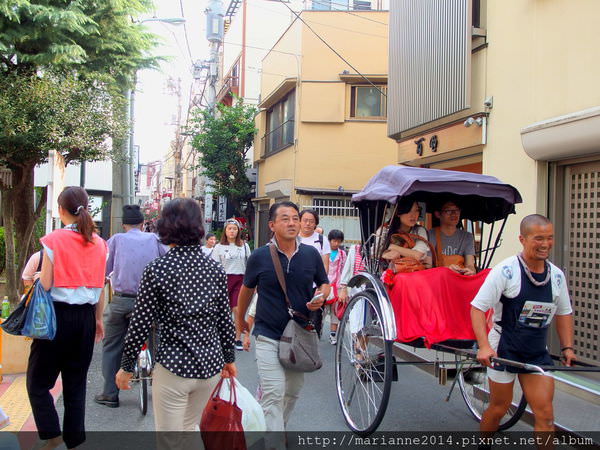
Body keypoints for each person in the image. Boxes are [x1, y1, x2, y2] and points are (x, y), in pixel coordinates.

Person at [116, 198, 236, 434]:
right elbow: (224, 320)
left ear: (165, 226)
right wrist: (229, 359)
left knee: (171, 439)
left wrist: (126, 366)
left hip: (173, 367)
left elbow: (140, 324)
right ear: (198, 227)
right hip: (209, 368)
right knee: (189, 429)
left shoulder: (157, 269)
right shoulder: (215, 270)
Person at [470, 214, 575, 436]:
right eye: (538, 238)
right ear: (522, 239)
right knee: (499, 408)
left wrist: (567, 347)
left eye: (549, 238)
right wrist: (483, 346)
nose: (545, 244)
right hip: (504, 348)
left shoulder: (556, 276)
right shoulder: (506, 271)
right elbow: (477, 308)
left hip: (536, 350)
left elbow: (564, 312)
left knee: (546, 415)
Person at [235, 201, 330, 432]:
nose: (292, 223)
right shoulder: (259, 256)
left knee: (292, 392)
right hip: (267, 333)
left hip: (300, 335)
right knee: (273, 393)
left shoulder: (310, 254)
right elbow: (246, 290)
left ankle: (278, 428)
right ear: (272, 225)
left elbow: (324, 283)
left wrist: (321, 296)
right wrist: (240, 321)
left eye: (295, 218)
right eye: (285, 218)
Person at [27, 186, 108, 450]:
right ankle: (74, 441)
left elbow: (47, 283)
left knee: (38, 383)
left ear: (61, 210)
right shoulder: (100, 243)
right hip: (85, 318)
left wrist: (39, 277)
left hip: (56, 318)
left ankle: (52, 435)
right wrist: (98, 320)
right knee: (76, 384)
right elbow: (99, 289)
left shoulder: (54, 240)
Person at [94, 204, 167, 408]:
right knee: (157, 340)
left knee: (112, 345)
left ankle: (110, 393)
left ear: (123, 224)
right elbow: (167, 263)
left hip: (121, 301)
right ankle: (160, 385)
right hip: (151, 301)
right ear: (143, 224)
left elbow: (104, 272)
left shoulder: (116, 240)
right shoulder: (154, 239)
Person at [211, 218, 251, 350]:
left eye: (234, 229)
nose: (232, 231)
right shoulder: (218, 247)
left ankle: (237, 338)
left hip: (240, 280)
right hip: (223, 281)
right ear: (225, 231)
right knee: (223, 312)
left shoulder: (244, 246)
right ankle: (223, 338)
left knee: (238, 310)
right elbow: (214, 266)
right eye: (229, 228)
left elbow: (250, 265)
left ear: (238, 230)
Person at [428, 198, 476, 275]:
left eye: (457, 210)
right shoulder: (430, 235)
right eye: (448, 211)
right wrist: (446, 270)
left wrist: (470, 271)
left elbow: (470, 264)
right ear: (438, 214)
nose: (454, 214)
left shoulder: (467, 236)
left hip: (460, 278)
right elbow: (427, 267)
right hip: (438, 279)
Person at [326, 229, 346, 345]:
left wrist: (343, 287)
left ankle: (333, 335)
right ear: (329, 240)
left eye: (339, 241)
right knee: (322, 311)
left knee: (335, 311)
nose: (336, 244)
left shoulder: (342, 254)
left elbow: (344, 270)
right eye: (334, 241)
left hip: (337, 286)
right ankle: (317, 331)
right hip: (325, 285)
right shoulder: (324, 252)